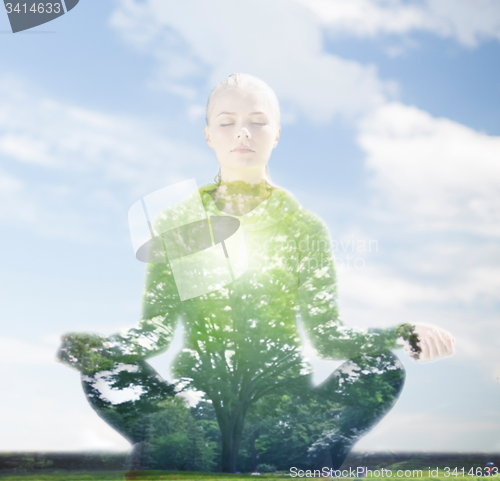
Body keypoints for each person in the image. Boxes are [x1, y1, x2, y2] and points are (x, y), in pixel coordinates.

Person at [57, 73, 454, 474]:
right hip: (199, 396)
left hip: (283, 402)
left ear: (277, 134)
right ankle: (227, 449)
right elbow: (156, 331)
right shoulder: (180, 221)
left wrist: (401, 334)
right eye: (227, 123)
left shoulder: (303, 227)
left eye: (257, 122)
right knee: (106, 372)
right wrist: (101, 351)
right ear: (209, 135)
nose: (242, 133)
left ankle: (290, 448)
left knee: (380, 368)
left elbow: (329, 335)